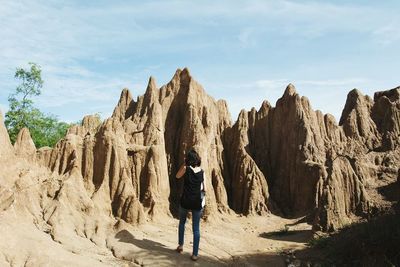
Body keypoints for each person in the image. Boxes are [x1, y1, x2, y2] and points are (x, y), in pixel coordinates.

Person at [175, 148, 206, 261]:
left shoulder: (185, 168)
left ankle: (180, 246)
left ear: (188, 159)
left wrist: (185, 163)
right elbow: (204, 188)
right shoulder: (202, 171)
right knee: (196, 229)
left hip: (185, 201)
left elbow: (177, 176)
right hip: (196, 202)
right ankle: (195, 254)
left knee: (182, 223)